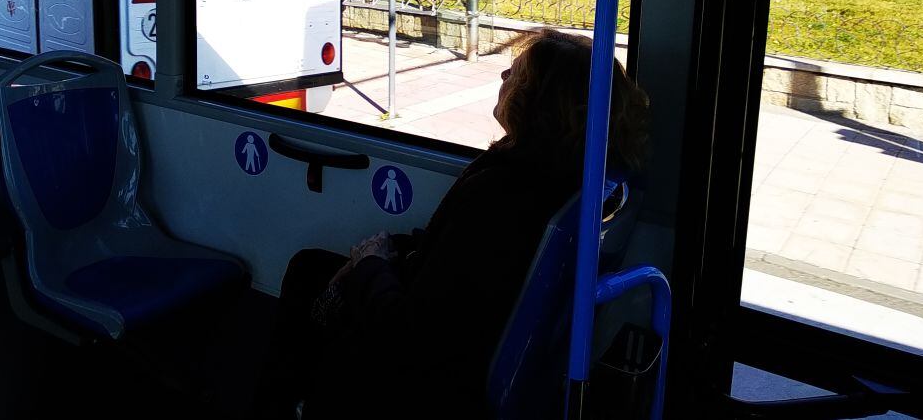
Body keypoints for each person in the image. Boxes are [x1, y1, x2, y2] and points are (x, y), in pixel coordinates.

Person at [253, 29, 650, 420]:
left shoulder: (501, 194)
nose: (503, 76)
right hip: (469, 337)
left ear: (539, 106)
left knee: (307, 272)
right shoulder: (568, 178)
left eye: (516, 75)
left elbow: (409, 334)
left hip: (429, 373)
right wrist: (386, 253)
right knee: (314, 266)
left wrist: (370, 265)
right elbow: (458, 260)